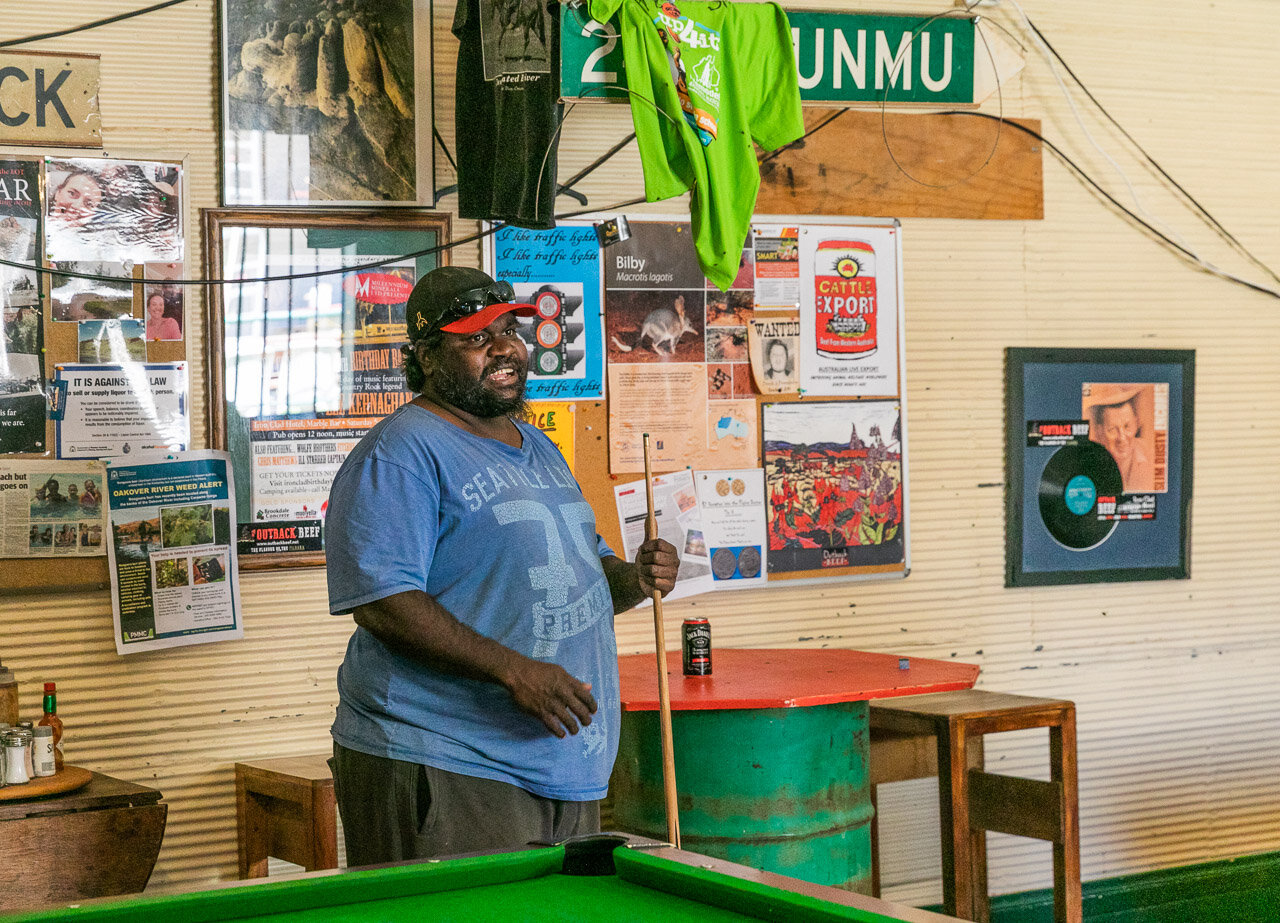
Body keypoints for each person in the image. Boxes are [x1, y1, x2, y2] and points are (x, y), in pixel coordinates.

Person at [324, 266, 680, 867]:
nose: (504, 349)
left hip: (559, 762)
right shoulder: (401, 452)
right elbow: (383, 603)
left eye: (508, 330)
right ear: (427, 358)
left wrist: (634, 579)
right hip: (448, 755)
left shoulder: (537, 446)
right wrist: (515, 671)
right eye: (474, 337)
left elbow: (582, 574)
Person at [1085, 385, 1155, 492]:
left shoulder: (1151, 455)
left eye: (1127, 426)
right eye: (1112, 429)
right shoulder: (1090, 463)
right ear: (1100, 432)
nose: (1122, 438)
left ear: (1136, 424)